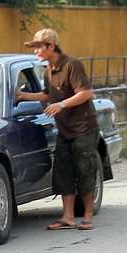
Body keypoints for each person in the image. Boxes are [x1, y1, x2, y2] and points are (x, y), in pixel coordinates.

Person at [17, 29, 99, 231]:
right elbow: (48, 94)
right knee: (63, 171)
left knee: (85, 171)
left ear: (50, 46)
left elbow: (86, 93)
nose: (36, 51)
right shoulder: (48, 70)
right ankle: (68, 217)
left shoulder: (72, 64)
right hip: (65, 131)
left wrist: (61, 105)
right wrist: (23, 96)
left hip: (84, 129)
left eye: (38, 47)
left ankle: (87, 217)